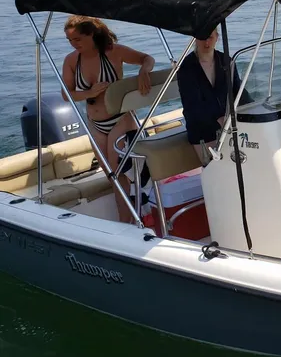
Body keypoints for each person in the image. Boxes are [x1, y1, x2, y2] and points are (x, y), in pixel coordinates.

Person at [61, 15, 155, 223]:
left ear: (91, 34)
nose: (73, 44)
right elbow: (66, 94)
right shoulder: (71, 60)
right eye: (69, 40)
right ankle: (130, 219)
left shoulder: (113, 51)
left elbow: (147, 59)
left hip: (120, 117)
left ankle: (130, 220)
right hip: (95, 123)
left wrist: (143, 72)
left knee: (119, 170)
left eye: (77, 39)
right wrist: (89, 92)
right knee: (112, 176)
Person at [176, 28, 253, 165]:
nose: (206, 42)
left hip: (229, 124)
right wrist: (218, 119)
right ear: (195, 39)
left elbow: (239, 91)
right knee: (217, 168)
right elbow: (192, 105)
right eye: (202, 37)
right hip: (202, 128)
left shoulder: (226, 61)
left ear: (217, 37)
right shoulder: (186, 68)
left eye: (210, 37)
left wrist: (253, 109)